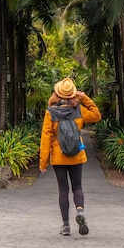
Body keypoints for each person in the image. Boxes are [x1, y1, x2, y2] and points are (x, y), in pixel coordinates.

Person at [39, 77, 102, 236]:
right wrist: (84, 98)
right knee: (77, 187)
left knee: (63, 189)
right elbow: (96, 115)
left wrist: (43, 162)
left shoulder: (50, 112)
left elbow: (46, 138)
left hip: (59, 157)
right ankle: (80, 212)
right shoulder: (79, 110)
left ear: (57, 93)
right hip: (76, 154)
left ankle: (66, 226)